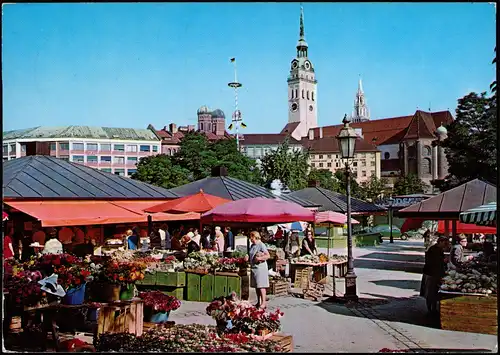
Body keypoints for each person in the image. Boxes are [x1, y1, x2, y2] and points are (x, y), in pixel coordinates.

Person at [420, 236, 450, 315]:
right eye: (444, 243)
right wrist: (443, 261)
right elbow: (433, 262)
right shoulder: (433, 250)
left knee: (433, 292)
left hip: (434, 273)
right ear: (440, 242)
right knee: (430, 292)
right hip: (431, 274)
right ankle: (430, 309)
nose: (445, 245)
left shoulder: (437, 249)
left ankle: (432, 308)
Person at [245, 231, 271, 309]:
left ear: (254, 237)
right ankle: (258, 302)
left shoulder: (261, 245)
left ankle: (264, 303)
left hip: (260, 268)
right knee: (257, 286)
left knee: (261, 286)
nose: (250, 239)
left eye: (251, 237)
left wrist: (259, 258)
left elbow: (268, 255)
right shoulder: (252, 245)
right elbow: (249, 254)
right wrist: (247, 256)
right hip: (254, 268)